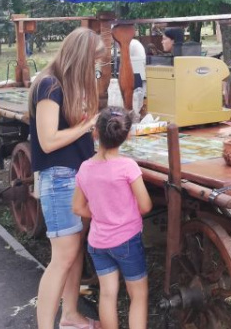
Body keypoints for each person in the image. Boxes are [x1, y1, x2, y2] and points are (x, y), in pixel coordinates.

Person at [29, 27, 106, 329]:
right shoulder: (49, 85)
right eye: (95, 61)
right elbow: (48, 141)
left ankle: (71, 315)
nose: (98, 67)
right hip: (60, 178)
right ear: (82, 58)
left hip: (76, 176)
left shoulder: (69, 86)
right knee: (62, 259)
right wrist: (88, 124)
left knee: (73, 254)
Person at [73, 106, 152, 329]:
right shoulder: (128, 167)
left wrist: (101, 213)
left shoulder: (85, 168)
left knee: (107, 294)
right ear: (127, 136)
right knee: (138, 295)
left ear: (95, 132)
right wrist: (122, 212)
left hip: (98, 242)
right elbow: (145, 205)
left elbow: (78, 207)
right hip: (127, 241)